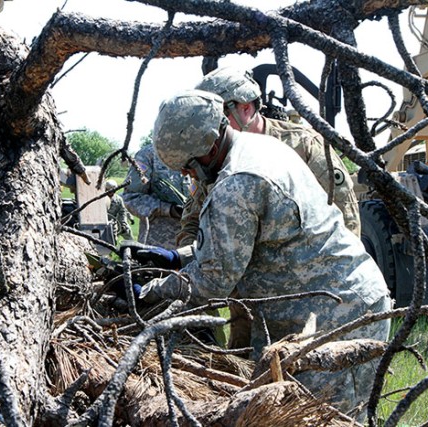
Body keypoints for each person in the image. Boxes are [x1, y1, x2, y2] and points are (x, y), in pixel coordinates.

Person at [132, 90, 391, 417]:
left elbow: (213, 281)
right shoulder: (256, 147)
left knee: (325, 420)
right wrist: (173, 258)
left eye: (188, 167)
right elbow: (234, 241)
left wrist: (149, 293)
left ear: (209, 148)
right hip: (317, 310)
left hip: (336, 317)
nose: (188, 176)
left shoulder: (238, 182)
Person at [176, 66, 360, 247]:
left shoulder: (303, 144)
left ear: (246, 108)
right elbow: (192, 223)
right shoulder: (212, 158)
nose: (210, 127)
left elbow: (345, 215)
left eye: (217, 117)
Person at [121, 144, 191, 249]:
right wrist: (168, 209)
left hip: (194, 248)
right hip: (158, 248)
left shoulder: (198, 151)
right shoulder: (148, 155)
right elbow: (130, 198)